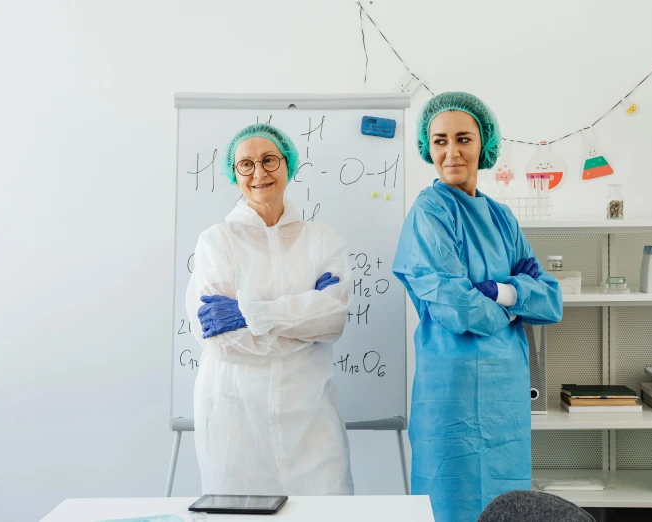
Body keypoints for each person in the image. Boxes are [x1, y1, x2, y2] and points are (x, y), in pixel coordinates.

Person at [393, 92, 563, 522]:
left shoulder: (503, 217)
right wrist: (514, 303)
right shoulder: (430, 211)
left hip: (504, 393)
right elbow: (456, 308)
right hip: (448, 389)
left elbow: (551, 300)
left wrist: (500, 292)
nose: (451, 151)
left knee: (507, 505)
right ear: (426, 147)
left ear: (483, 143)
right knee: (451, 500)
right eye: (439, 140)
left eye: (463, 139)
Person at [186, 123, 354, 496]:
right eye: (245, 164)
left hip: (310, 412)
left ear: (288, 165)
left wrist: (251, 315)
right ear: (234, 174)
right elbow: (223, 342)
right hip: (235, 413)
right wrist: (303, 324)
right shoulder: (217, 242)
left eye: (269, 160)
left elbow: (333, 319)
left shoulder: (322, 240)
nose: (259, 173)